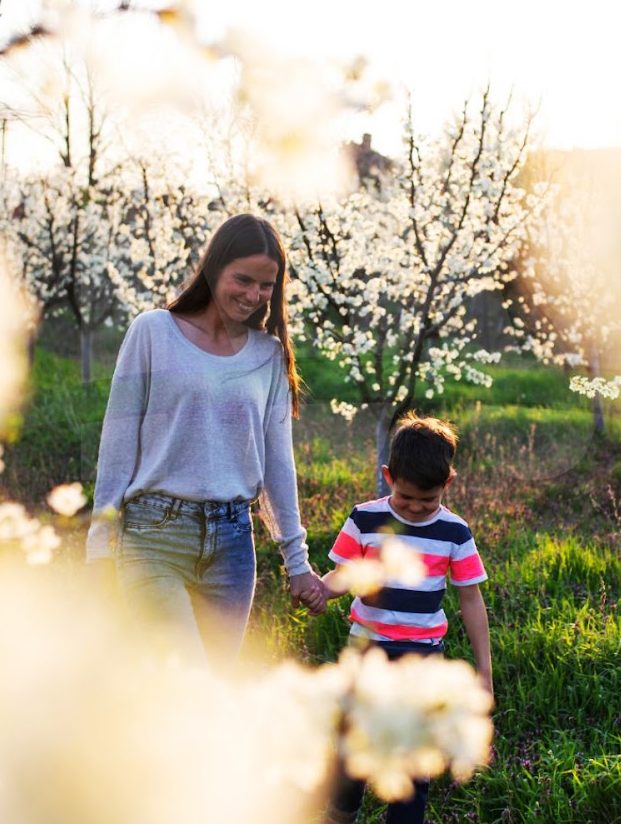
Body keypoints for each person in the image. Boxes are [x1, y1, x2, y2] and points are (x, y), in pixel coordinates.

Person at [86, 212, 325, 671]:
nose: (254, 295)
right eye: (243, 279)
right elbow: (117, 444)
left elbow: (277, 462)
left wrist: (297, 562)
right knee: (184, 685)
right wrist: (100, 543)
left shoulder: (269, 355)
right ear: (214, 268)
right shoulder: (153, 331)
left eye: (266, 285)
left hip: (234, 545)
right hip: (154, 537)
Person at [318, 413, 492, 824]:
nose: (415, 508)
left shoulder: (455, 532)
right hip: (367, 652)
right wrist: (320, 589)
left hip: (422, 658)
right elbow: (343, 575)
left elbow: (470, 599)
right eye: (405, 498)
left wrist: (484, 670)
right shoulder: (365, 519)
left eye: (427, 501)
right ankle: (342, 811)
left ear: (447, 484)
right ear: (388, 475)